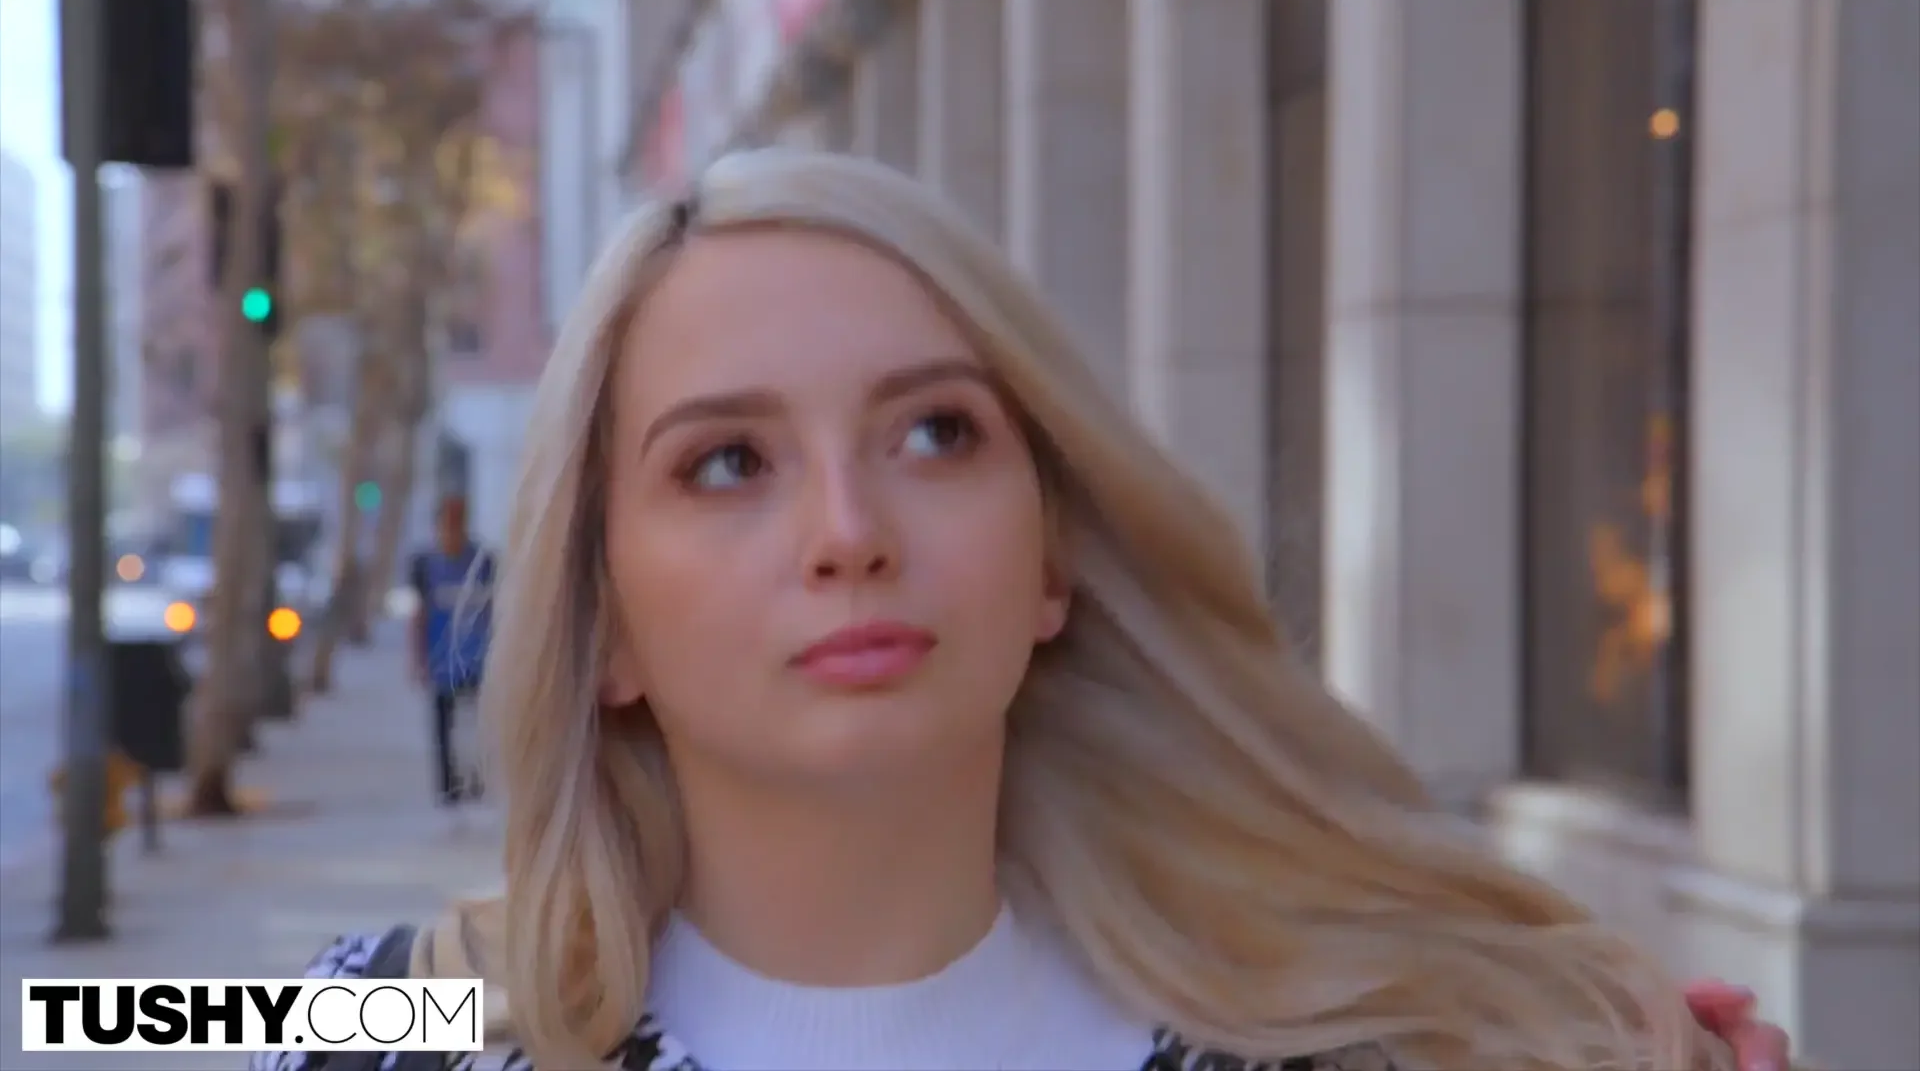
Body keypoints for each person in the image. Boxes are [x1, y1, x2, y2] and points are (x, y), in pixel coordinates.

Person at [254, 151, 1797, 1071]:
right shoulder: (374, 1026)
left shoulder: (1387, 1051)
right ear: (603, 628)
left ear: (1052, 559)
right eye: (728, 462)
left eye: (936, 434)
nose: (849, 534)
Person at [407, 494, 496, 819]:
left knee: (477, 723)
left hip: (477, 657)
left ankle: (476, 779)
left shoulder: (483, 562)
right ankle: (448, 786)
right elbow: (418, 614)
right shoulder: (426, 565)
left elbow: (494, 609)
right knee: (443, 725)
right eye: (448, 520)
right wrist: (417, 659)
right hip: (441, 659)